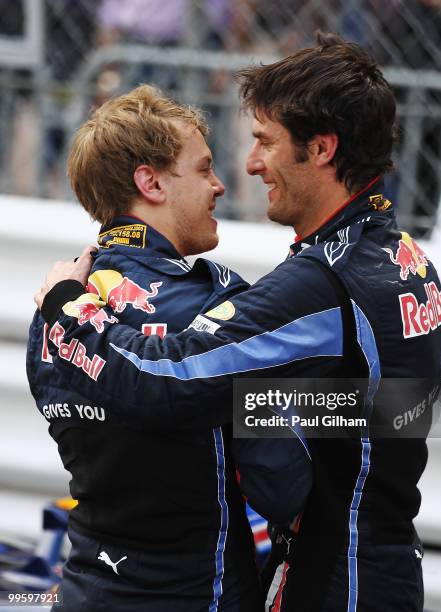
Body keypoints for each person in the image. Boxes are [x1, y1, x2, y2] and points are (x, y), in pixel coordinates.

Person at [35, 34, 441, 611]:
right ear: (150, 182)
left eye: (265, 142)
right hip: (356, 565)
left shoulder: (318, 282)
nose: (245, 168)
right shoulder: (407, 259)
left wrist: (63, 307)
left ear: (322, 148)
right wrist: (280, 408)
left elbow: (157, 383)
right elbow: (416, 404)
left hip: (329, 579)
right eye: (208, 166)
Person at [27, 85, 311, 612]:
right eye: (203, 169)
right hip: (199, 592)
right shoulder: (214, 303)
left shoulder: (55, 305)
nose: (220, 185)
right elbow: (284, 480)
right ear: (150, 181)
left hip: (88, 588)